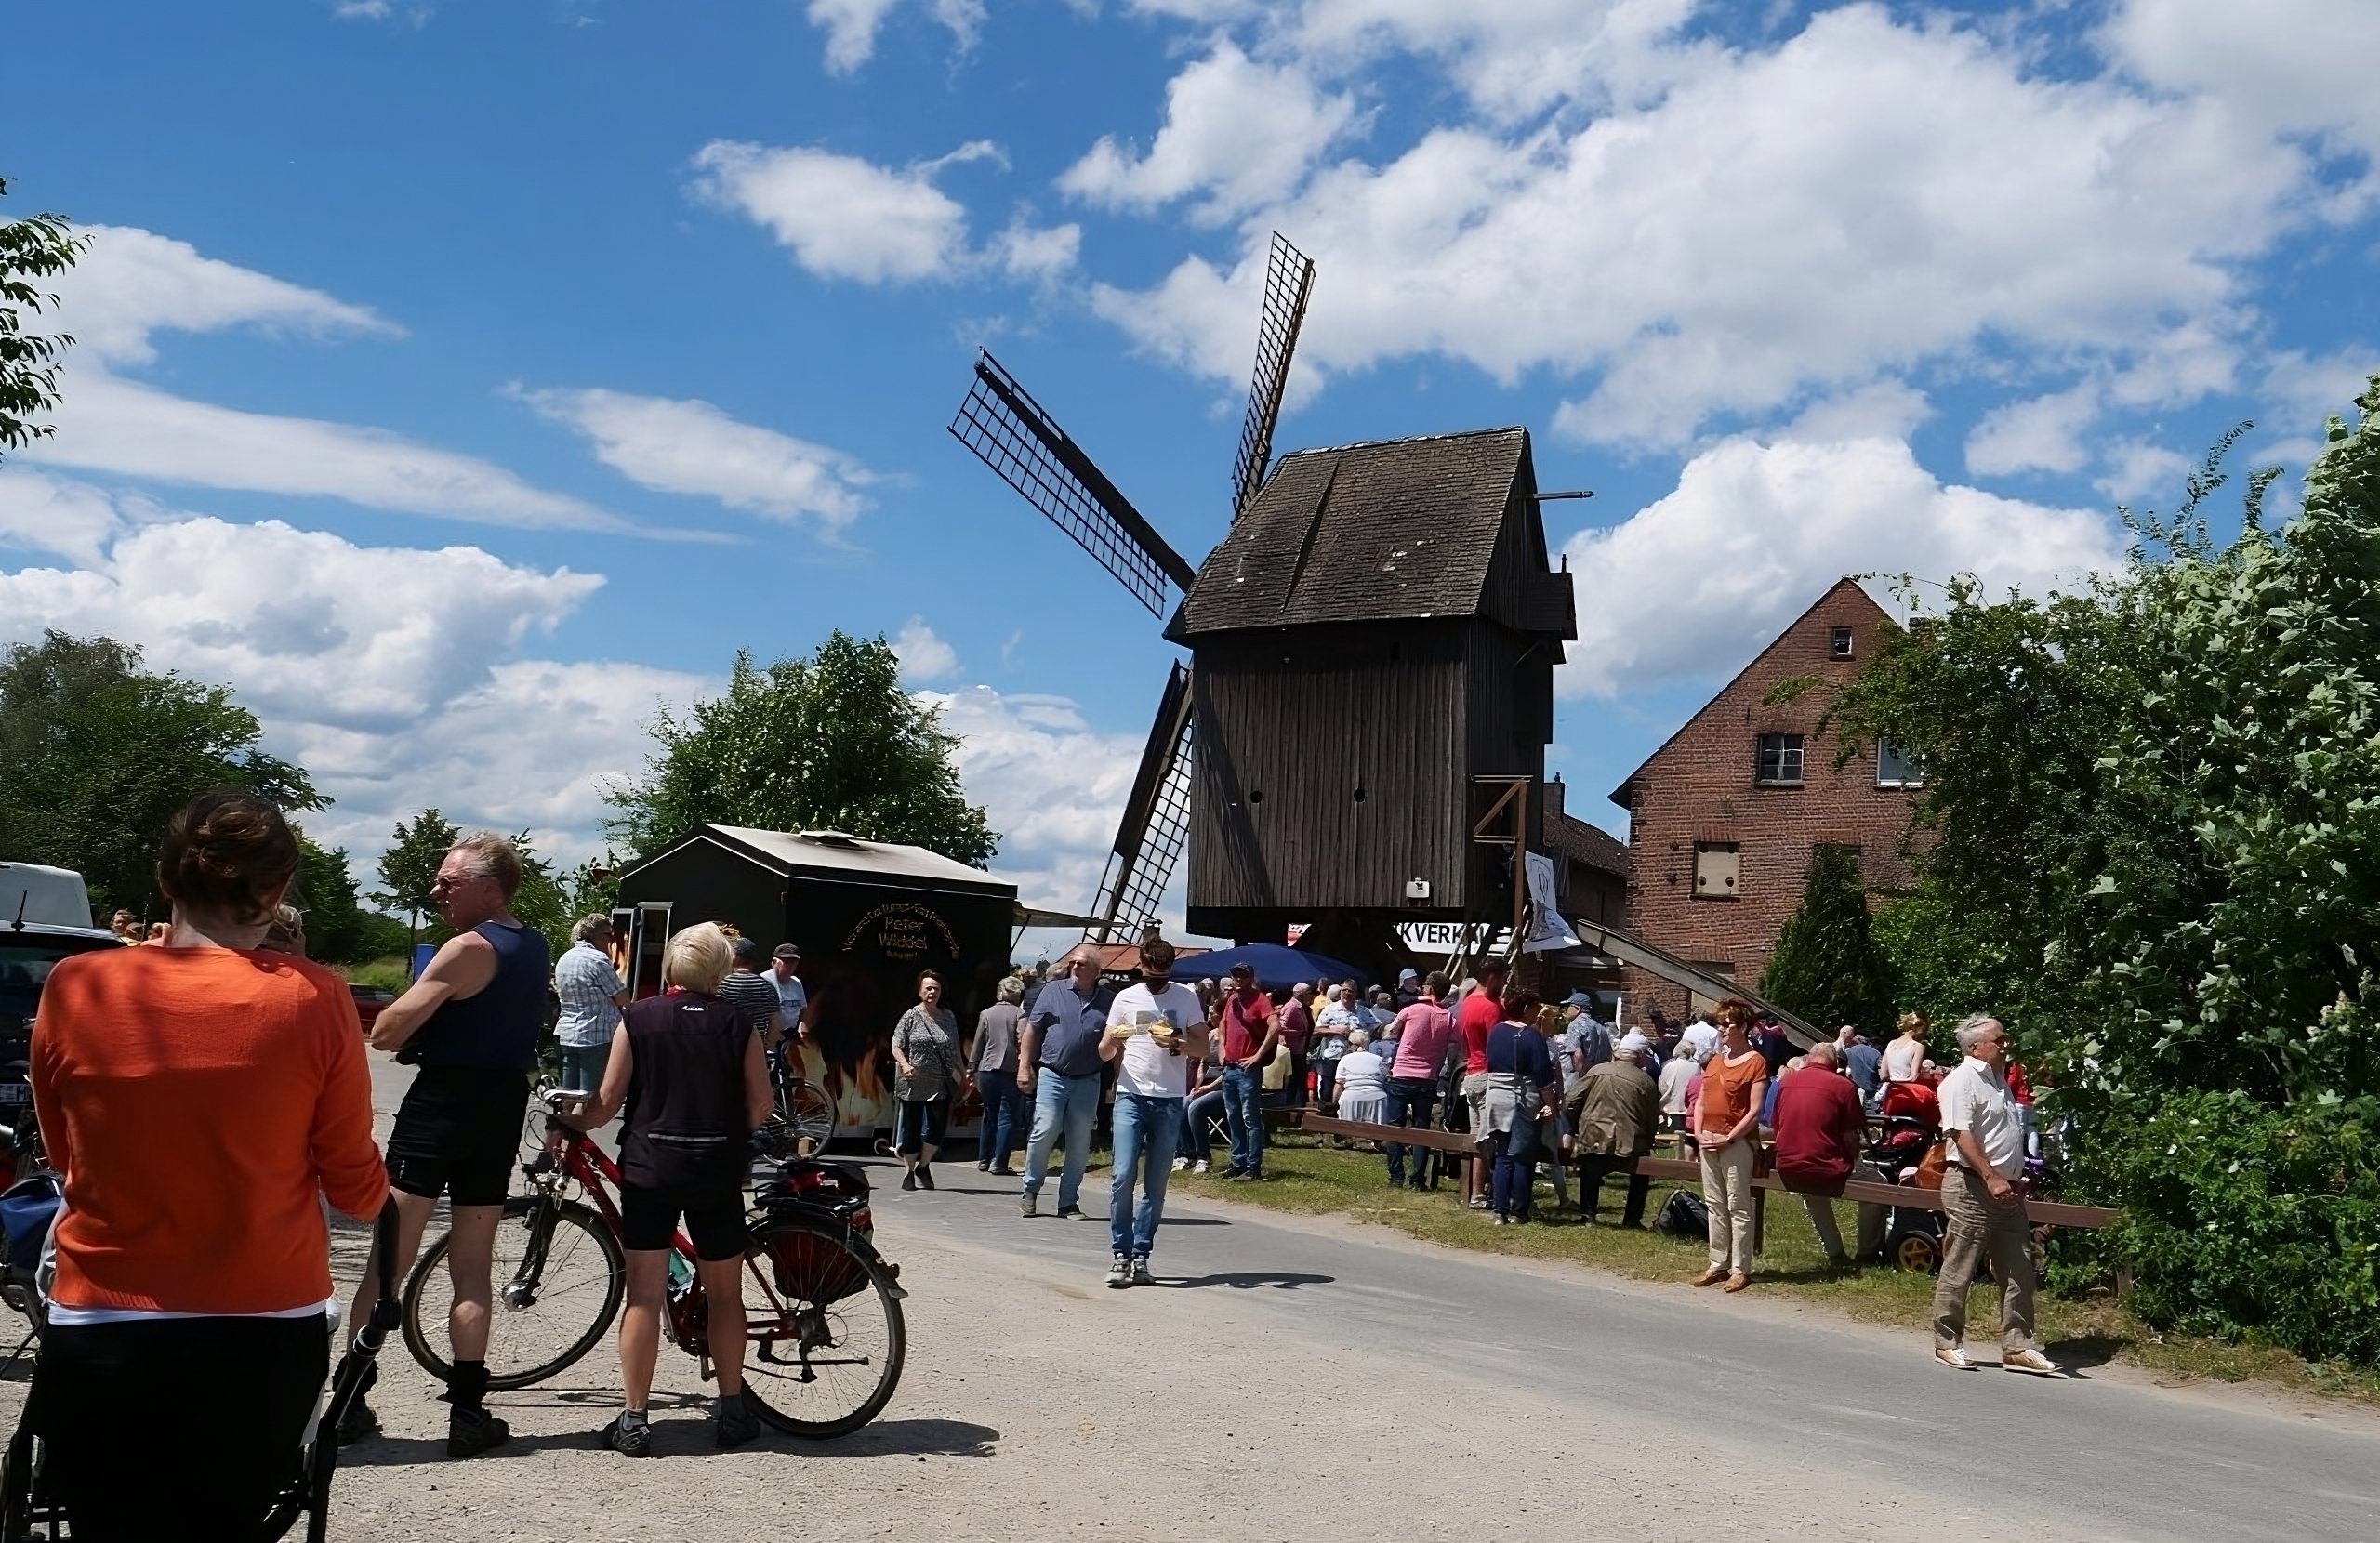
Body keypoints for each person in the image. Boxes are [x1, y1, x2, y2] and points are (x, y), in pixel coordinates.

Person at [26, 791, 388, 1537]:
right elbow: (353, 1185)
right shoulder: (314, 999)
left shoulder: (77, 985)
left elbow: (66, 1153)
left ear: (166, 881)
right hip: (259, 1318)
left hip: (105, 1312)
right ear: (276, 889)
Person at [346, 832, 549, 1454]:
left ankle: (351, 1397)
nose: (436, 890)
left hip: (440, 1111)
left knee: (389, 1262)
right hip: (499, 1110)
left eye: (448, 883)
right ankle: (467, 1413)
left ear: (489, 889)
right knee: (472, 1269)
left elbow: (385, 1031)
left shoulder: (466, 947)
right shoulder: (537, 946)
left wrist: (414, 1015)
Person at [551, 922, 774, 1454]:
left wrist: (569, 1121)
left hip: (651, 1168)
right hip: (716, 1168)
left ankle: (634, 1419)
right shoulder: (739, 1024)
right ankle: (733, 1410)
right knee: (725, 1294)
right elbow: (762, 1106)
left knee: (644, 1296)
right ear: (718, 970)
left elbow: (605, 1103)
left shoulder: (639, 1017)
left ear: (671, 968)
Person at [1932, 1015, 2060, 1376]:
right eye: (1998, 1040)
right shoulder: (1960, 1081)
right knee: (1961, 1265)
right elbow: (1961, 1134)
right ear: (1975, 1047)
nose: (2006, 1045)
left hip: (2006, 1191)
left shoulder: (1998, 1080)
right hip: (1973, 1186)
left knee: (2020, 1266)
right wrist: (1991, 1176)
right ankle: (1947, 1341)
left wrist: (2014, 1176)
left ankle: (2017, 1345)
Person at [1097, 936, 1207, 1286]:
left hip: (1169, 1098)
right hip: (1132, 1093)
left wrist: (1176, 1041)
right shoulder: (1125, 998)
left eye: (1162, 975)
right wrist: (1114, 1039)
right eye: (1150, 974)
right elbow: (1103, 1051)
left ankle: (1141, 1254)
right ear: (1141, 967)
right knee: (1122, 1175)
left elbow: (1202, 1045)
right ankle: (1120, 1253)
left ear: (1170, 970)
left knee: (1155, 1184)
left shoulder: (1185, 997)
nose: (1156, 980)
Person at [1771, 1042, 1884, 1268]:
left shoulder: (1787, 1081)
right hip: (1825, 1166)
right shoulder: (1843, 1085)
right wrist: (1854, 1161)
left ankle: (1835, 1252)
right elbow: (1851, 1136)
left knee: (1812, 1193)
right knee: (1877, 1187)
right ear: (1835, 1064)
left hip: (1787, 1162)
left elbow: (1776, 1124)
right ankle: (1867, 1253)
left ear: (1810, 1059)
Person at [1019, 947, 1108, 1219]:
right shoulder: (1053, 990)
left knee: (1080, 1142)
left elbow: (1117, 1040)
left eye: (1081, 963)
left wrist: (1117, 1080)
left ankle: (1068, 1201)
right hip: (1052, 1074)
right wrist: (1024, 1065)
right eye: (1072, 963)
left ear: (1096, 970)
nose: (1075, 966)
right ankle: (1031, 1190)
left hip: (1089, 1079)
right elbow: (1032, 1029)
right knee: (1044, 1130)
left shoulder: (1109, 1000)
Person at [1690, 998, 1767, 1293]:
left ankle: (1739, 1268)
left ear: (1743, 1027)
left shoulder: (1755, 1062)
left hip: (1735, 1143)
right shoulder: (1714, 1060)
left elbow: (1754, 1110)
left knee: (1737, 1204)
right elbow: (1701, 1101)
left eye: (1727, 1024)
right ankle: (1717, 1263)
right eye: (1718, 1024)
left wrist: (1730, 1137)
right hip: (1708, 1139)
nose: (1721, 1029)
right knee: (1714, 1204)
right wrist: (1698, 1133)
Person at [1481, 988, 1554, 1225]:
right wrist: (1551, 1105)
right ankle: (1518, 1211)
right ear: (1525, 1009)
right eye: (1535, 1009)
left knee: (1503, 1156)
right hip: (1521, 1099)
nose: (1537, 1014)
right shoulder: (1532, 1038)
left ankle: (1499, 1211)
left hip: (1496, 1097)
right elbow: (1543, 1078)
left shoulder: (1496, 1032)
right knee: (1522, 1156)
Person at [1576, 1033, 1661, 1227]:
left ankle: (1587, 1214)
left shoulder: (1596, 1071)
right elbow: (1651, 1119)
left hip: (1593, 1135)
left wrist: (1577, 1127)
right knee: (1641, 1174)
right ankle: (1632, 1218)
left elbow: (1572, 1101)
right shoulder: (1646, 1081)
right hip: (1629, 1140)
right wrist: (1647, 1141)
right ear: (1639, 1055)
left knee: (1590, 1168)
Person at [890, 969, 964, 1192]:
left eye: (936, 988)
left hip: (939, 1081)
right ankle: (909, 1172)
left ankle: (924, 1165)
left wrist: (964, 1074)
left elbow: (955, 1050)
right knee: (911, 1129)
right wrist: (904, 1064)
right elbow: (896, 1045)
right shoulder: (911, 1016)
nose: (932, 992)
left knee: (936, 1129)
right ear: (920, 992)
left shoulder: (949, 1017)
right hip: (912, 1082)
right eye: (928, 988)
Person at [1382, 972, 1456, 1189]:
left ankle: (1396, 1175)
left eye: (1425, 985)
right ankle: (1417, 1178)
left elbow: (1390, 1031)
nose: (1421, 988)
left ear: (1431, 989)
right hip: (1428, 1077)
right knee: (1421, 1127)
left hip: (1403, 1073)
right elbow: (1452, 1046)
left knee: (1395, 1127)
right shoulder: (1449, 1018)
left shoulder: (1411, 1009)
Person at [1215, 963, 1279, 1180]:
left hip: (1247, 1069)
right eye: (1235, 976)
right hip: (1230, 1067)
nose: (1239, 980)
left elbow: (1275, 1026)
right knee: (1233, 1117)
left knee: (1250, 1117)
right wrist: (1222, 1050)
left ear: (1251, 978)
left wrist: (1258, 1056)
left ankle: (1253, 1167)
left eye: (1243, 976)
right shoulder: (1232, 1000)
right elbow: (1223, 1025)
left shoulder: (1260, 999)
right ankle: (1238, 1162)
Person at [553, 914, 629, 1094]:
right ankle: (578, 1122)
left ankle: (562, 1121)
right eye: (610, 936)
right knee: (589, 1096)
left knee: (568, 1093)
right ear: (600, 937)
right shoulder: (598, 960)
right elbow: (622, 998)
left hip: (566, 1033)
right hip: (595, 1036)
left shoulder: (566, 958)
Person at [1456, 958, 1508, 1210]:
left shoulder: (1467, 1003)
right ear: (1492, 978)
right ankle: (1487, 1191)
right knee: (1492, 1139)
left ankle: (1476, 1192)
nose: (1505, 983)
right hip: (1489, 1075)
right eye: (1503, 978)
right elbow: (1499, 1046)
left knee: (1477, 1135)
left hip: (1471, 1073)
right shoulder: (1490, 1007)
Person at [972, 976, 1026, 1174]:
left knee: (989, 1114)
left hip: (986, 1069)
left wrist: (972, 1067)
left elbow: (978, 1043)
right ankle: (999, 1163)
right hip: (1010, 1069)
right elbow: (1021, 1040)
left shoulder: (986, 1013)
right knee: (1007, 1116)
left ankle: (983, 1160)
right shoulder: (1020, 1014)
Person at [715, 936, 787, 1055]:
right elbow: (776, 1024)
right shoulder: (767, 987)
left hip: (726, 1049)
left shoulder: (722, 985)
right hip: (755, 1050)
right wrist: (765, 1045)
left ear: (734, 957)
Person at [1313, 983, 1359, 1110]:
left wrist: (1361, 1037)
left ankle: (1343, 1116)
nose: (1347, 993)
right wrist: (1337, 1030)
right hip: (1331, 1055)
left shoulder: (1363, 1011)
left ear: (1355, 993)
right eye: (1344, 990)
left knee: (1348, 1087)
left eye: (1350, 991)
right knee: (1327, 1086)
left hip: (1352, 1057)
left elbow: (1375, 1027)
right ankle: (1325, 1116)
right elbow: (1316, 1030)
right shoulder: (1329, 1009)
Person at [1333, 1027, 1389, 1124]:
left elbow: (1339, 1084)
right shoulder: (1378, 1059)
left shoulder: (1345, 1059)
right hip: (1377, 1098)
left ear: (1351, 1043)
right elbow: (1386, 1079)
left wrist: (1334, 1104)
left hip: (1351, 1098)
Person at [1280, 981, 1315, 1111]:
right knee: (1294, 1079)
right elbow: (1281, 1028)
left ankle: (1298, 1107)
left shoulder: (1301, 1007)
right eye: (1308, 993)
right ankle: (1291, 1106)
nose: (1310, 996)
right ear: (1300, 994)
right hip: (1291, 1049)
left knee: (1300, 1079)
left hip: (1299, 1049)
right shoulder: (1291, 1007)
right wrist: (1299, 1033)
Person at [768, 943, 809, 1048]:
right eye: (786, 962)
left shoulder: (796, 983)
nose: (791, 966)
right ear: (774, 962)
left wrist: (803, 1025)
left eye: (794, 962)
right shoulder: (764, 981)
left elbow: (804, 1009)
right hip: (769, 1041)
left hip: (790, 1040)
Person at [1883, 1009, 1930, 1086]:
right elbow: (1914, 1077)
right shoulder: (1918, 1046)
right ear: (1915, 1028)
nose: (1924, 1034)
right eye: (1924, 1030)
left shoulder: (1891, 1044)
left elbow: (1884, 1075)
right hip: (1908, 1090)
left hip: (1892, 1090)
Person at [1843, 1030, 1884, 1105]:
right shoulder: (1876, 1053)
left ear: (1854, 1042)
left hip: (1854, 1090)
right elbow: (1882, 1073)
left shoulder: (1847, 1052)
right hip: (1872, 1091)